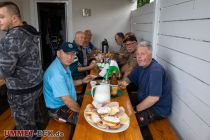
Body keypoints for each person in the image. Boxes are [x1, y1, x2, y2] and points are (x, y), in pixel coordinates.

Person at [0, 1, 43, 138]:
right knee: (35, 118)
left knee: (25, 127)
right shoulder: (28, 30)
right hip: (35, 85)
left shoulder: (12, 37)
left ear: (14, 18)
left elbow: (4, 72)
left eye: (1, 17)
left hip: (21, 92)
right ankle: (39, 134)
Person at [121, 41, 172, 127]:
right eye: (137, 54)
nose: (139, 57)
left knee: (128, 122)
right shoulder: (141, 66)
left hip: (157, 109)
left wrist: (135, 109)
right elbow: (129, 79)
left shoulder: (155, 70)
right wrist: (120, 85)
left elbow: (153, 98)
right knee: (122, 101)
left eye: (142, 54)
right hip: (143, 97)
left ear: (150, 55)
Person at [43, 42, 92, 124]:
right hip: (59, 109)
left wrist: (82, 81)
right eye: (66, 53)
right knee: (87, 121)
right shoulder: (56, 75)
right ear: (58, 53)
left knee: (90, 98)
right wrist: (83, 113)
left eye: (73, 54)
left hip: (69, 100)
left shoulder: (64, 65)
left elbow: (68, 83)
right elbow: (69, 103)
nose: (70, 57)